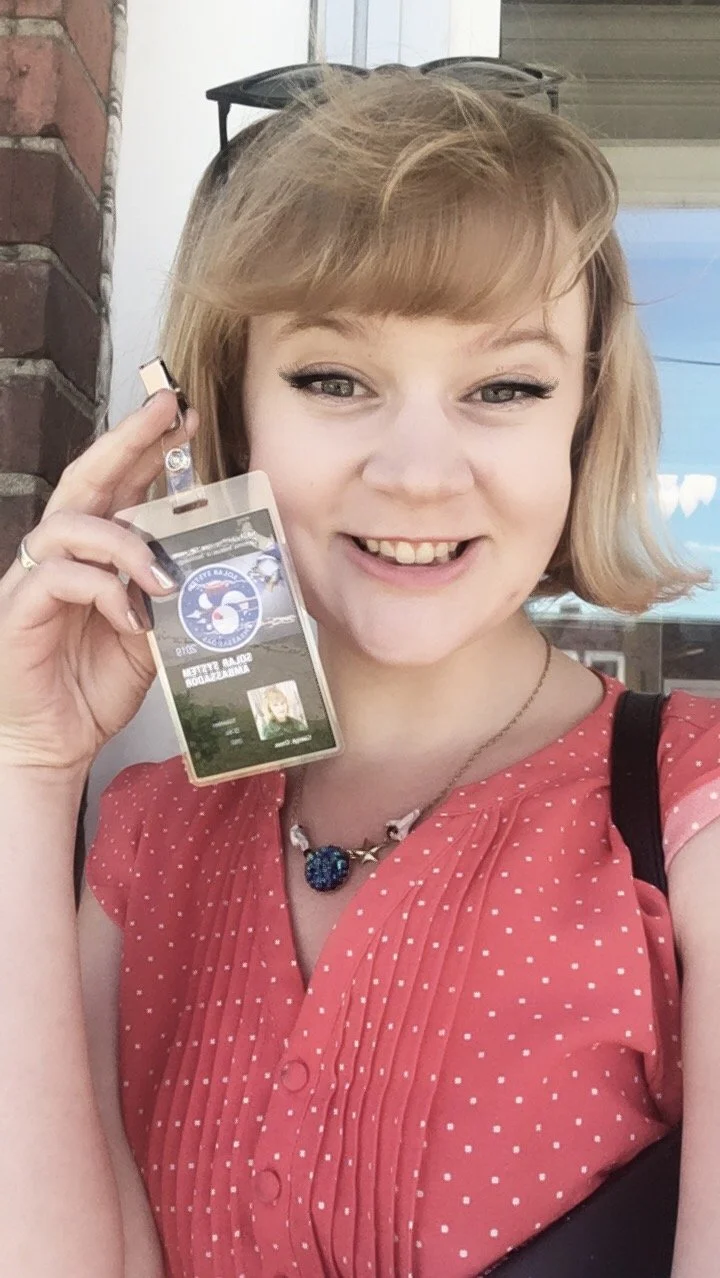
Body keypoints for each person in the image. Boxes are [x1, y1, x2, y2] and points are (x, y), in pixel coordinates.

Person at [0, 66, 718, 1278]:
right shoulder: (150, 836)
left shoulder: (687, 814)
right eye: (333, 379)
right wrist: (26, 770)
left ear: (583, 423)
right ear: (227, 413)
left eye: (506, 386)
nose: (420, 473)